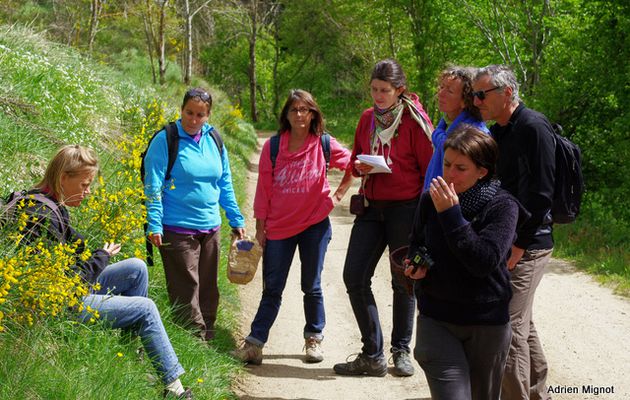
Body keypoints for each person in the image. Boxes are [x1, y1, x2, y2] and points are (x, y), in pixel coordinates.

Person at [21, 145, 192, 399]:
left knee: (137, 268)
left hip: (66, 291)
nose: (88, 192)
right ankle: (175, 389)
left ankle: (128, 359)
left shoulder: (47, 203)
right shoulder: (41, 215)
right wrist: (100, 258)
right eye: (84, 185)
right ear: (63, 178)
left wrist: (92, 253)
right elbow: (67, 285)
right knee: (145, 308)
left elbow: (67, 259)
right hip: (59, 305)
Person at [404, 126, 529, 400]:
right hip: (437, 319)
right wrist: (415, 263)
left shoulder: (502, 206)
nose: (449, 173)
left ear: (482, 171)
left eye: (460, 168)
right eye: (446, 164)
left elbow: (483, 261)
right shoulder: (430, 199)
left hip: (486, 325)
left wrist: (451, 215)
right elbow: (416, 243)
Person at [231, 89, 353, 365]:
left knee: (312, 286)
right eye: (294, 110)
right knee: (272, 288)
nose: (300, 115)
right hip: (278, 228)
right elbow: (263, 191)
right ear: (286, 115)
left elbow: (355, 164)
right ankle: (255, 344)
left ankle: (313, 339)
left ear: (313, 114)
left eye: (305, 110)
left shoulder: (323, 143)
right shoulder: (272, 147)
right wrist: (260, 228)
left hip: (315, 226)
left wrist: (337, 196)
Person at [333, 59, 434, 377]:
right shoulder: (366, 119)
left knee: (403, 281)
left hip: (406, 209)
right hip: (372, 207)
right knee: (354, 276)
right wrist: (360, 167)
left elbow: (429, 168)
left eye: (385, 91)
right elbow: (354, 159)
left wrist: (426, 218)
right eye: (374, 89)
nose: (378, 96)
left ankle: (401, 351)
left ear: (399, 90)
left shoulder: (415, 121)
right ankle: (372, 355)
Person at [472, 65, 556, 400]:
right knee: (521, 322)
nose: (477, 101)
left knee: (505, 327)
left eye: (482, 94)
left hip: (530, 244)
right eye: (475, 94)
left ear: (507, 93)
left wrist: (520, 244)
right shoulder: (500, 132)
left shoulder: (533, 127)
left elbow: (541, 194)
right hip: (507, 240)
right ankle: (537, 393)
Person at [144, 87, 246, 342]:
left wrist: (236, 218)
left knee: (209, 287)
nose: (193, 119)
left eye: (200, 114)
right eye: (189, 112)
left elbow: (225, 183)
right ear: (181, 110)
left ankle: (208, 334)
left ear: (208, 115)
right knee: (186, 287)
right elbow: (153, 185)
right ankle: (192, 340)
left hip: (210, 226)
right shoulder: (166, 139)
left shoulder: (214, 139)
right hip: (176, 227)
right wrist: (154, 224)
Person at [423, 65, 489, 191]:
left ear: (465, 101)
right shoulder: (443, 127)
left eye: (450, 91)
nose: (440, 94)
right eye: (441, 87)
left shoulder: (475, 134)